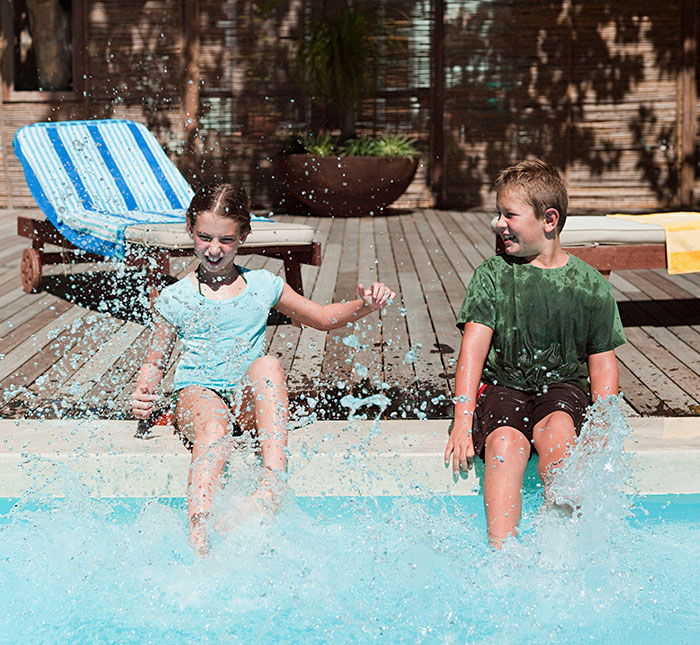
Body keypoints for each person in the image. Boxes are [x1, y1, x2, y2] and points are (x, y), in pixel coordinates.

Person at [131, 183, 395, 556]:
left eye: (226, 239)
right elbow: (154, 363)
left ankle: (271, 483)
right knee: (214, 429)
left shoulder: (262, 285)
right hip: (198, 394)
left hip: (244, 399)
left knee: (268, 363)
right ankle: (200, 533)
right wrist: (142, 396)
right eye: (205, 237)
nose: (213, 249)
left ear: (244, 236)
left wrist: (365, 305)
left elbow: (320, 317)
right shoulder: (175, 297)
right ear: (190, 229)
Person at [444, 159, 625, 548]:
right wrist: (462, 420)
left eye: (509, 214)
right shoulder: (493, 276)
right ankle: (502, 551)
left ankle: (559, 541)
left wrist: (601, 424)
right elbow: (472, 354)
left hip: (563, 387)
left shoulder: (591, 287)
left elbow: (603, 364)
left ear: (549, 220)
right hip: (503, 386)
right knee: (505, 445)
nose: (498, 223)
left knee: (558, 433)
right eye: (498, 214)